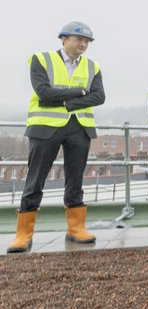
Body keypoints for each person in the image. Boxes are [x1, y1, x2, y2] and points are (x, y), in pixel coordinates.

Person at [8, 22, 105, 253]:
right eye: (78, 39)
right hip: (45, 127)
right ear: (63, 39)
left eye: (86, 41)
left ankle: (75, 229)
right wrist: (79, 92)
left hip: (79, 128)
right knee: (35, 179)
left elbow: (99, 96)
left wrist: (65, 101)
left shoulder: (93, 66)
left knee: (76, 180)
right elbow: (43, 93)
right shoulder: (41, 60)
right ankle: (24, 234)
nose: (82, 44)